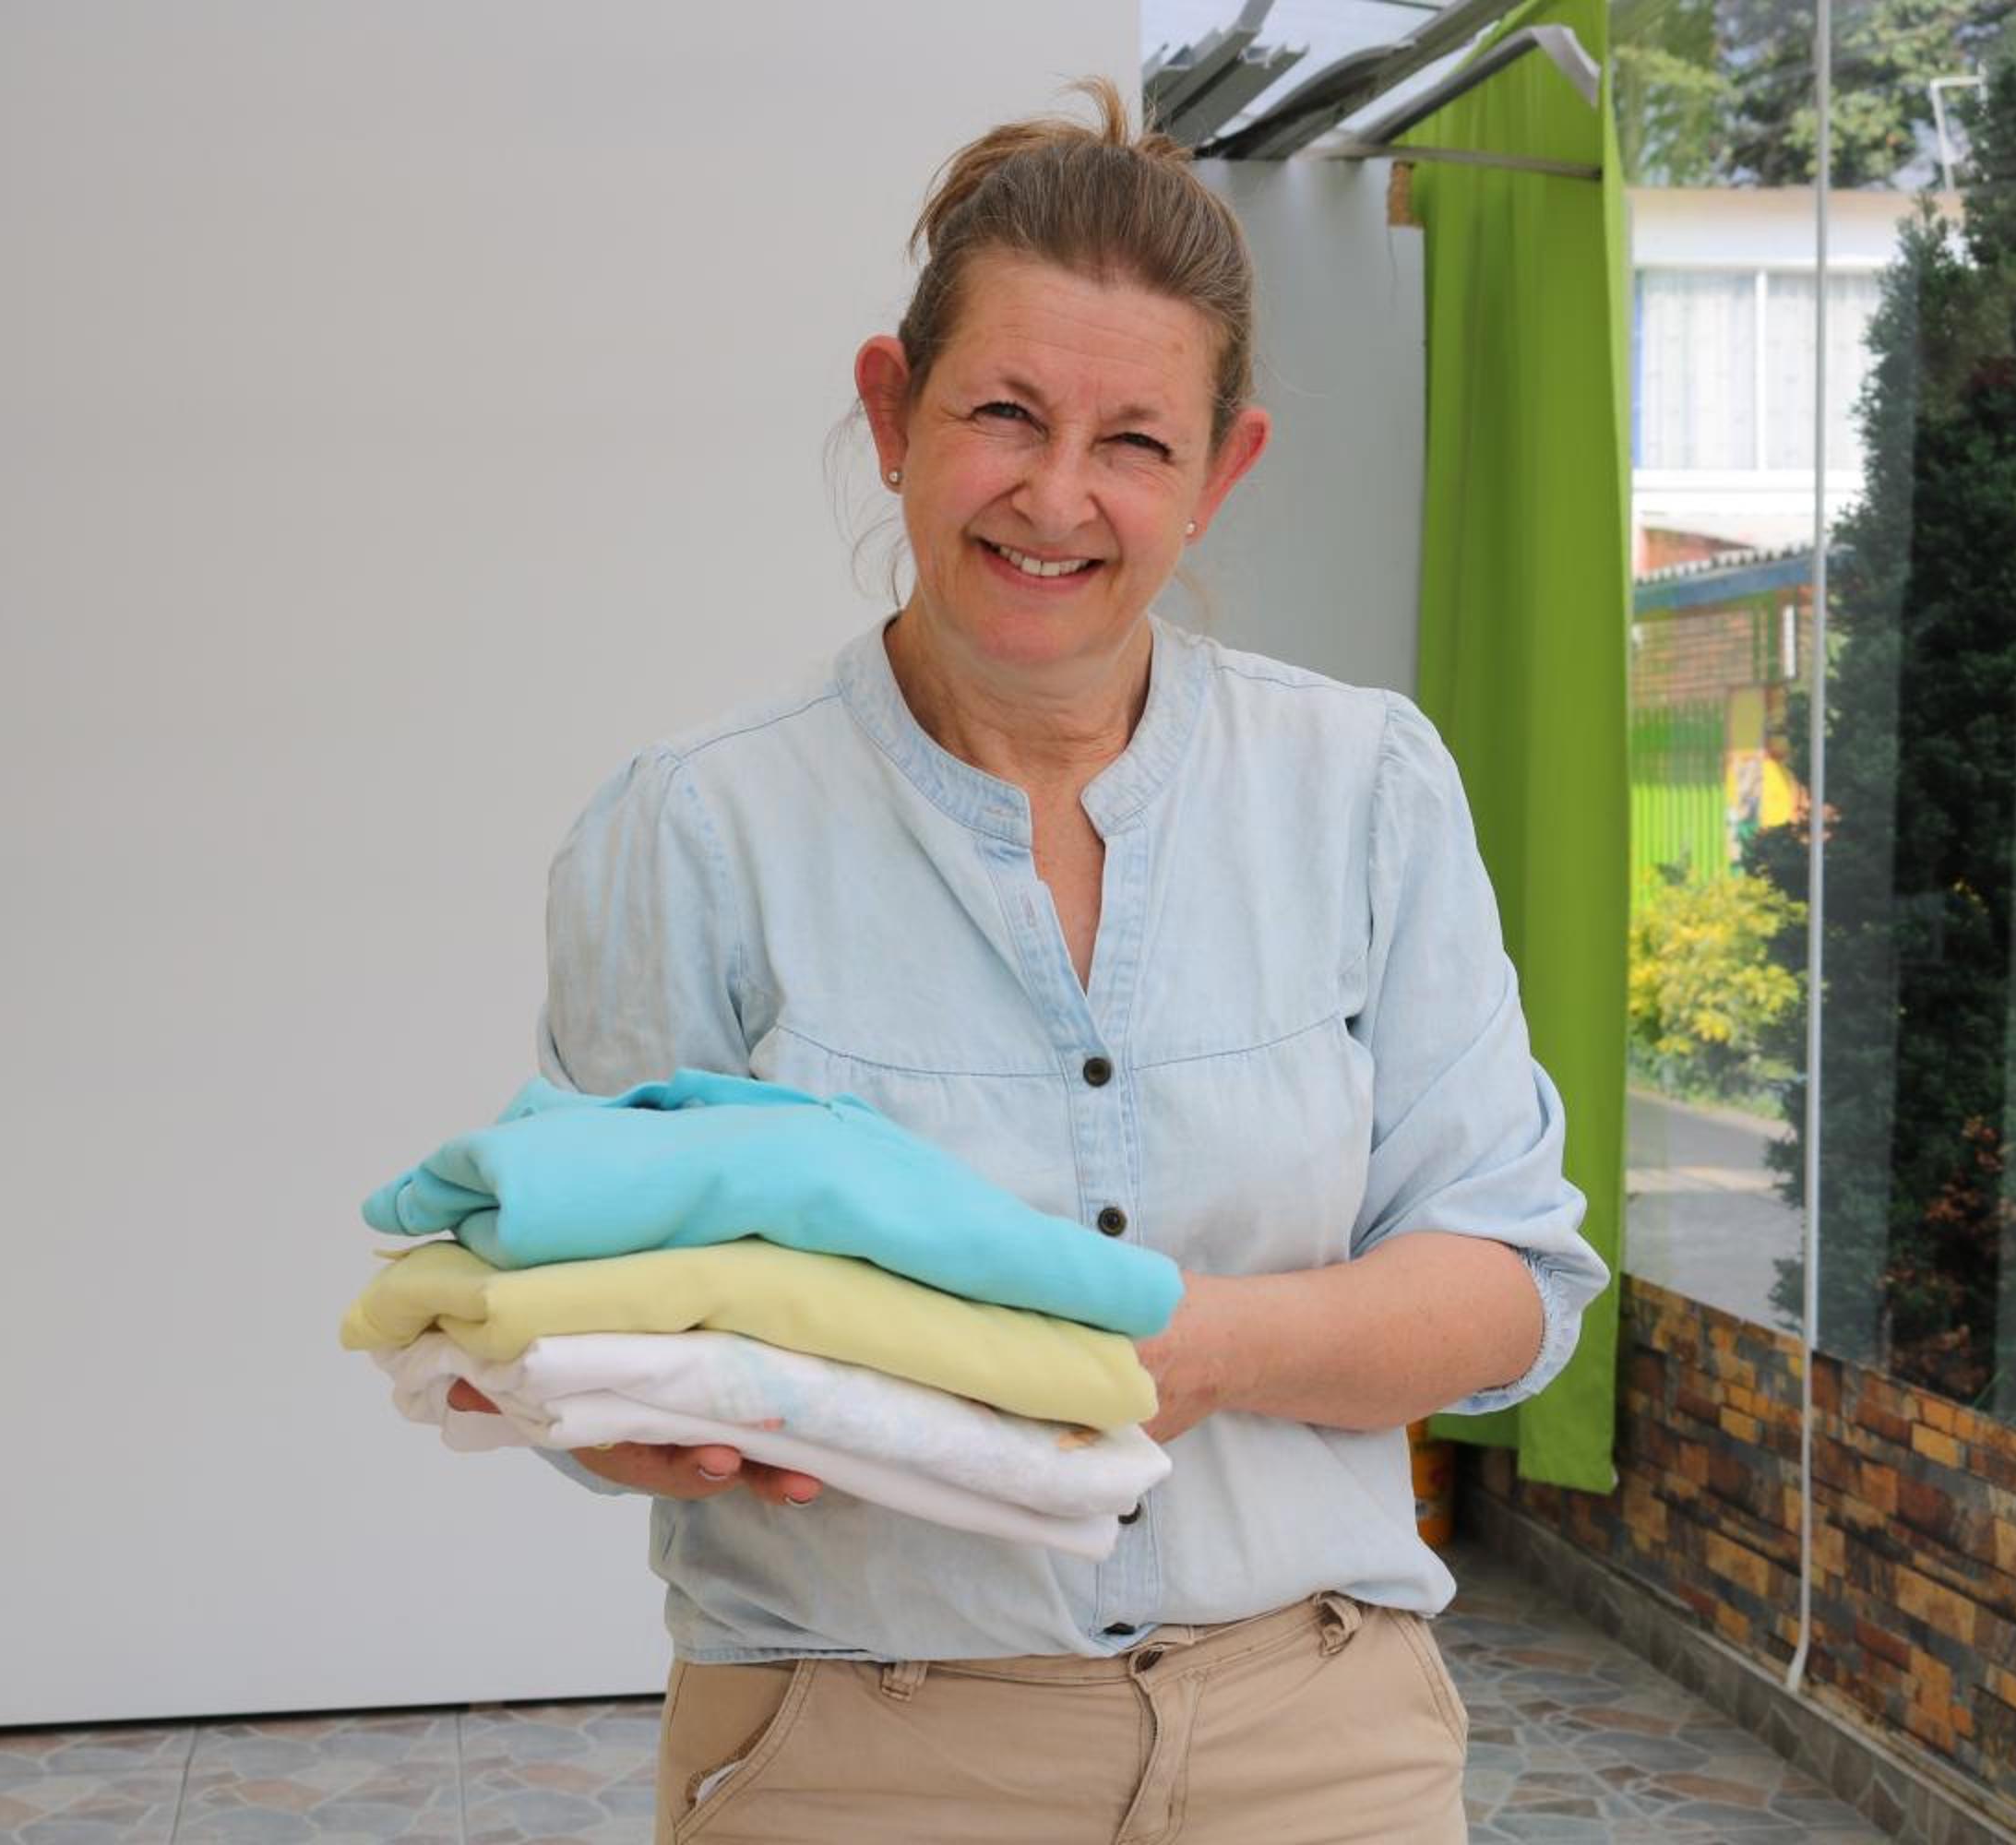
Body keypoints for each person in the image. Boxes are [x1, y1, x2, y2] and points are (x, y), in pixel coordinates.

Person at [495, 78, 1607, 1843]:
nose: (1058, 496)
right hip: (862, 1750)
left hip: (1322, 1744)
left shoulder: (1366, 790)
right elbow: (582, 1327)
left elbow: (1508, 1286)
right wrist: (646, 1415)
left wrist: (1197, 1346)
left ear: (1221, 473)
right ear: (893, 413)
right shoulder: (696, 827)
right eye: (1004, 414)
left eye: (1136, 443)